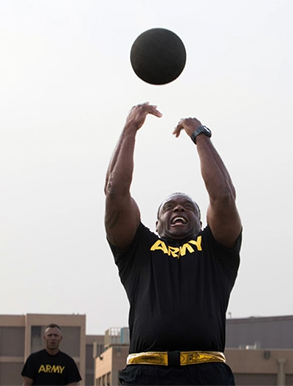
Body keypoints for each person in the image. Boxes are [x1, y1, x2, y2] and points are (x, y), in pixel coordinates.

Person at [104, 103, 243, 385]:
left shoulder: (215, 249)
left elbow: (224, 196)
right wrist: (130, 129)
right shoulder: (138, 249)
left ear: (202, 223)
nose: (178, 209)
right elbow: (114, 192)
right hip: (145, 372)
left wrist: (200, 136)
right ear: (156, 224)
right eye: (169, 206)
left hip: (206, 372)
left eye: (187, 206)